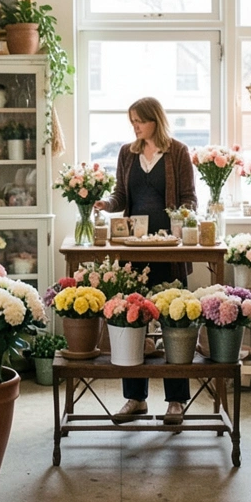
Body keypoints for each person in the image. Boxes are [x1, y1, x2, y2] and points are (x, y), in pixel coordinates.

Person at [93, 97, 196, 425]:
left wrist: (182, 219)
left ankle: (176, 401)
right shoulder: (128, 152)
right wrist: (105, 204)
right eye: (132, 121)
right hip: (133, 250)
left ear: (156, 120)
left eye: (140, 120)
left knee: (173, 322)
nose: (135, 126)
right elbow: (121, 195)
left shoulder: (177, 152)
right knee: (130, 320)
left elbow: (189, 198)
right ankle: (135, 399)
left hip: (168, 250)